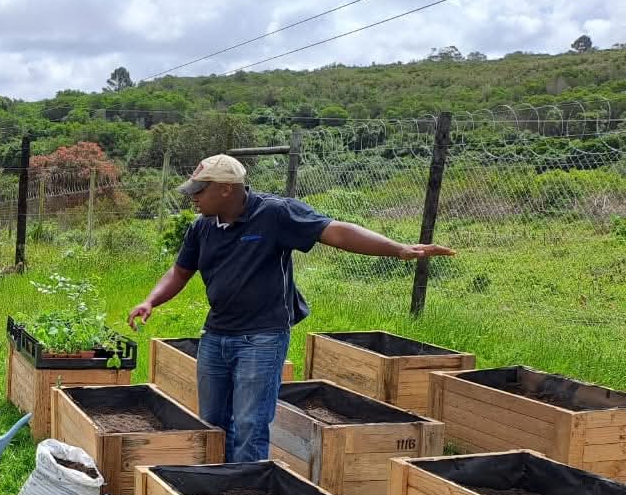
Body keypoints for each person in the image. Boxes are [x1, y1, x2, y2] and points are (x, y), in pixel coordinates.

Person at [128, 154, 454, 463]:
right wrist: (150, 300)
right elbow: (180, 271)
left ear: (226, 189)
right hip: (216, 337)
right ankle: (216, 489)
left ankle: (246, 494)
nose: (193, 198)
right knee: (212, 422)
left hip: (262, 338)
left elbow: (335, 231)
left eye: (199, 191)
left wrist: (397, 249)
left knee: (249, 425)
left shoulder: (275, 214)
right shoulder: (202, 227)